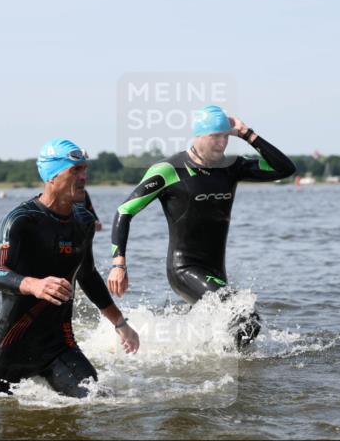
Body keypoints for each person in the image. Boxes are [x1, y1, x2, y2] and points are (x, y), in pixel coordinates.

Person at [108, 105, 295, 348]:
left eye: (225, 136)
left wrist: (247, 134)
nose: (221, 143)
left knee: (219, 331)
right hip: (184, 268)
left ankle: (201, 367)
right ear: (198, 136)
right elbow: (125, 211)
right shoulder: (169, 170)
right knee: (247, 320)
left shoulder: (232, 167)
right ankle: (231, 376)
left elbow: (285, 169)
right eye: (215, 137)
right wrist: (118, 264)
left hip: (216, 271)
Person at [0, 139, 139, 398]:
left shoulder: (84, 221)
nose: (84, 176)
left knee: (98, 401)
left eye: (85, 169)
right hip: (13, 347)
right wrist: (36, 285)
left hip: (59, 345)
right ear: (52, 176)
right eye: (75, 170)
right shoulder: (21, 220)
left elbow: (87, 276)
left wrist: (120, 323)